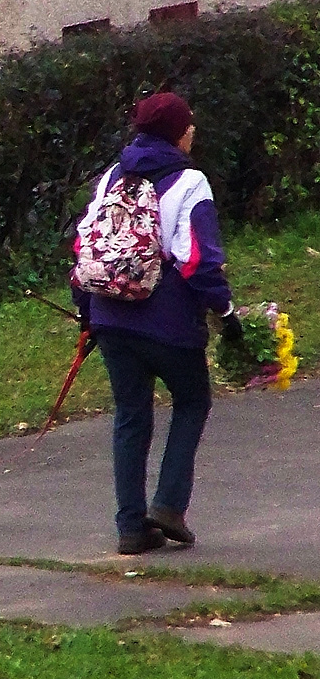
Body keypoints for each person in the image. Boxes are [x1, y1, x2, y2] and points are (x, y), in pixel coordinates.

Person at [71, 92, 243, 555]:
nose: (194, 132)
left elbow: (85, 246)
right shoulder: (190, 183)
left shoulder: (111, 177)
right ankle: (168, 505)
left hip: (109, 316)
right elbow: (198, 261)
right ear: (177, 133)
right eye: (190, 126)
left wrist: (87, 314)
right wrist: (227, 315)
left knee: (130, 416)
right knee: (191, 400)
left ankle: (131, 528)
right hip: (167, 321)